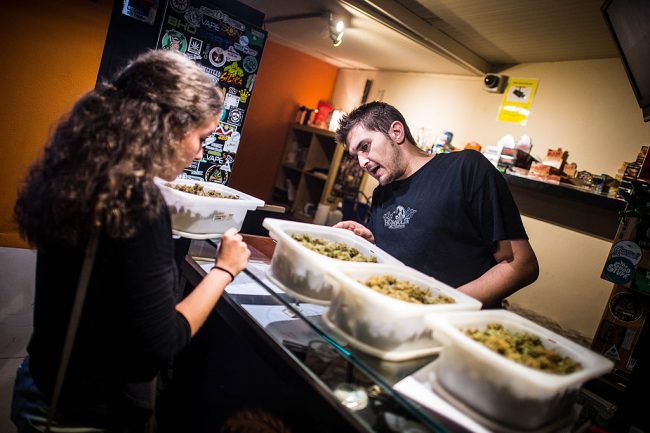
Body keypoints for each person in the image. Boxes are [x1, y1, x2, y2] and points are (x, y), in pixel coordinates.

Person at [11, 50, 250, 432]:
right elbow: (159, 344)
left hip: (39, 387)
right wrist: (224, 269)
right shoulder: (139, 204)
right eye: (201, 137)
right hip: (82, 414)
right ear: (170, 125)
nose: (199, 152)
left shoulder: (81, 172)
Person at [334, 101, 538, 308]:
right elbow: (413, 253)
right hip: (395, 319)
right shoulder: (381, 194)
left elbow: (521, 265)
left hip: (453, 327)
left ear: (396, 132)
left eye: (365, 147)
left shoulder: (465, 169)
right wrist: (372, 244)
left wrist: (441, 307)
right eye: (356, 155)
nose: (362, 163)